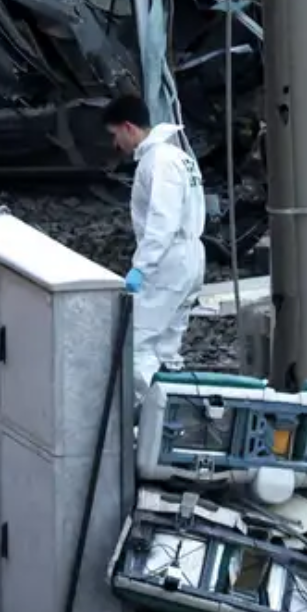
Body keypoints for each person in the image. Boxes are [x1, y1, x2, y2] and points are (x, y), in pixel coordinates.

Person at [101, 93, 207, 393]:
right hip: (190, 257)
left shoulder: (158, 161)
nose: (115, 144)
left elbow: (163, 221)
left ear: (128, 127)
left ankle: (144, 423)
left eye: (114, 135)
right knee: (167, 349)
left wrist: (141, 268)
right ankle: (171, 422)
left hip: (169, 260)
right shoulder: (179, 157)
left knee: (136, 346)